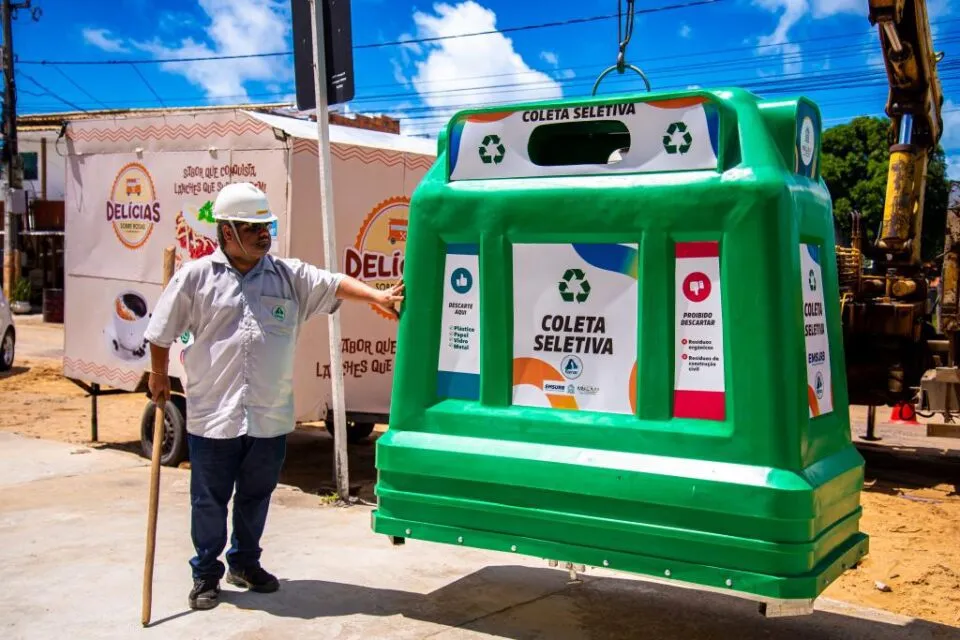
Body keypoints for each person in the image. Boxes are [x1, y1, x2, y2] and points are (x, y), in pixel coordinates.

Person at [144, 182, 403, 611]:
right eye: (254, 228)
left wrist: (377, 296)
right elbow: (160, 330)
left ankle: (244, 562)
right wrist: (157, 375)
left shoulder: (287, 275)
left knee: (255, 494)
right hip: (214, 414)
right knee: (209, 499)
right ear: (227, 233)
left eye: (269, 226)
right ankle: (205, 573)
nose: (265, 236)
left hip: (269, 415)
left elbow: (335, 282)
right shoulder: (195, 278)